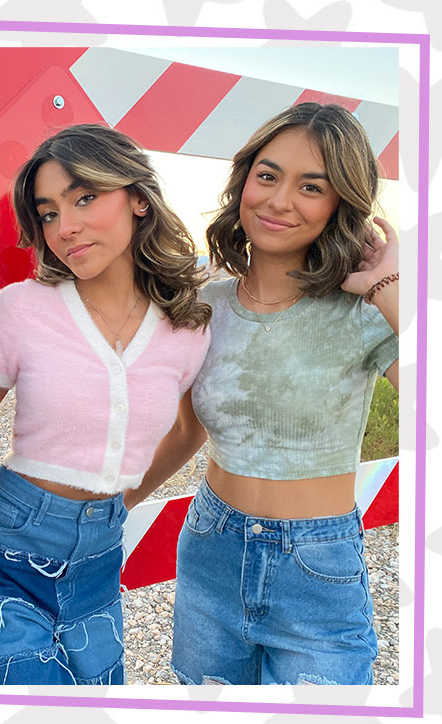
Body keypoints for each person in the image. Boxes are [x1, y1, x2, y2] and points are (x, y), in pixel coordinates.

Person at [128, 102, 399, 685]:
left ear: (339, 206)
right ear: (244, 180)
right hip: (210, 550)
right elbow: (185, 431)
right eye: (268, 175)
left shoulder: (364, 312)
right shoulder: (205, 305)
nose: (279, 201)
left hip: (317, 565)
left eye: (311, 186)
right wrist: (110, 508)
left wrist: (389, 288)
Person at [0, 123, 212, 685]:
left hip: (100, 559)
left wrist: (116, 498)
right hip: (6, 546)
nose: (64, 227)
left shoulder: (187, 327)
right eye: (48, 213)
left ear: (139, 199)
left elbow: (190, 434)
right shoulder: (21, 308)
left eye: (85, 198)